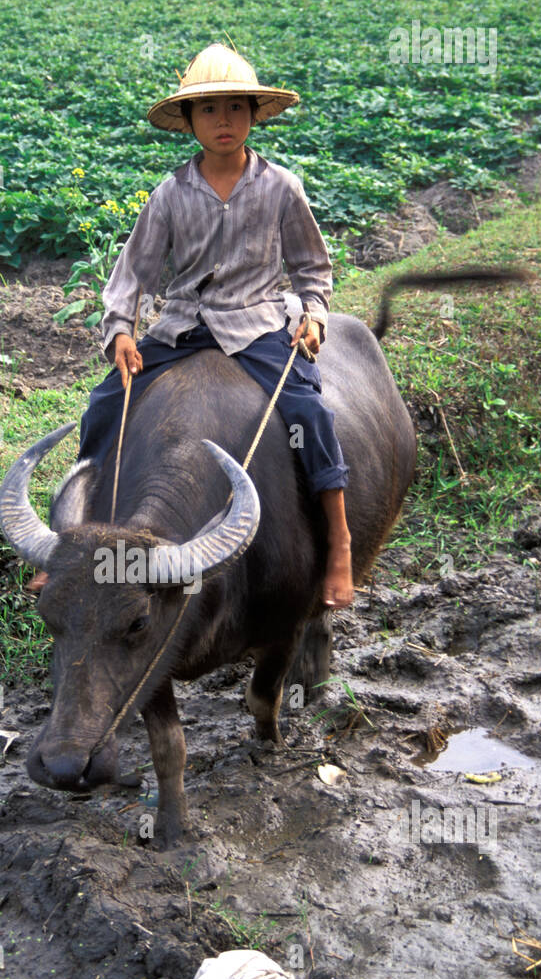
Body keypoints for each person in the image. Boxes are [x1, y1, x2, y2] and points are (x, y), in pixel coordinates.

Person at [77, 43, 354, 609]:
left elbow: (311, 268)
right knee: (104, 406)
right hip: (181, 327)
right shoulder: (170, 195)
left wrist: (314, 316)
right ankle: (82, 539)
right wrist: (122, 331)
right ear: (189, 122)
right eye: (208, 110)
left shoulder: (281, 187)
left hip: (256, 324)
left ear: (254, 114)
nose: (222, 120)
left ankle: (339, 542)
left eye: (234, 107)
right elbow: (132, 274)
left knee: (310, 411)